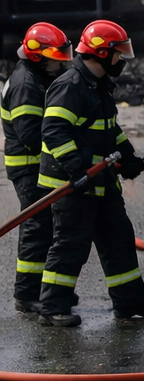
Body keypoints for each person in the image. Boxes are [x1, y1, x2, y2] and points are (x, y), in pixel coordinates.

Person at [36, 20, 144, 327]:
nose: (122, 61)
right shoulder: (71, 85)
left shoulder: (98, 85)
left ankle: (129, 302)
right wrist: (76, 168)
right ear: (102, 54)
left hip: (99, 181)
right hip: (72, 183)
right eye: (118, 53)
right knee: (71, 244)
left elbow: (108, 129)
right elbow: (54, 130)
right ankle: (53, 307)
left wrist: (128, 157)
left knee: (119, 239)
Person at [3, 23, 73, 313]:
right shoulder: (26, 86)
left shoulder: (35, 76)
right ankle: (27, 293)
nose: (61, 61)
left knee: (46, 226)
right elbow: (31, 137)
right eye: (56, 56)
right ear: (37, 56)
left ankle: (43, 290)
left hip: (38, 166)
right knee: (36, 227)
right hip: (29, 168)